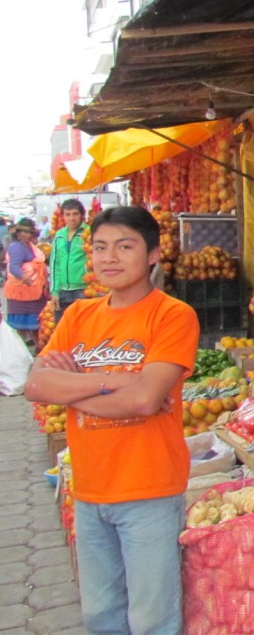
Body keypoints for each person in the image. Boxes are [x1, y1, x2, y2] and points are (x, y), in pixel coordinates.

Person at [24, 206, 200, 635]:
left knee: (152, 620)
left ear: (154, 254)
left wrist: (76, 386)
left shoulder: (173, 315)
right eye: (100, 247)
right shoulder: (80, 315)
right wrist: (110, 383)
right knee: (100, 616)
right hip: (88, 489)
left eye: (125, 246)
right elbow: (36, 387)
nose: (110, 258)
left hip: (148, 489)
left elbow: (143, 399)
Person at [3, 218, 49, 347]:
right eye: (25, 232)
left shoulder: (29, 246)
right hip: (22, 294)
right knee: (21, 330)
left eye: (30, 232)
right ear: (18, 233)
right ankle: (21, 355)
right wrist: (25, 278)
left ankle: (39, 352)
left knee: (37, 328)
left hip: (34, 293)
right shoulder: (16, 247)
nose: (28, 235)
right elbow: (14, 267)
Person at [50, 199, 90, 324]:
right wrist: (54, 291)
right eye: (68, 214)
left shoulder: (89, 233)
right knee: (62, 329)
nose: (72, 218)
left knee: (83, 328)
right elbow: (55, 264)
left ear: (82, 215)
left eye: (75, 214)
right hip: (62, 291)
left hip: (83, 290)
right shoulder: (59, 235)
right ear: (63, 216)